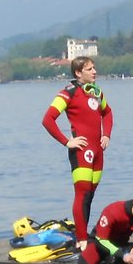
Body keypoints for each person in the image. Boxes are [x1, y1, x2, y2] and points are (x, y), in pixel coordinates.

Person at [41, 55, 112, 244]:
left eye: (94, 68)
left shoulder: (96, 92)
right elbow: (48, 120)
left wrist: (107, 135)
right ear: (78, 73)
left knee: (90, 194)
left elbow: (108, 113)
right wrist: (66, 142)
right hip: (82, 151)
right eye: (90, 69)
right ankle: (81, 240)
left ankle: (84, 234)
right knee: (81, 193)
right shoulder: (68, 93)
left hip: (98, 152)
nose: (95, 72)